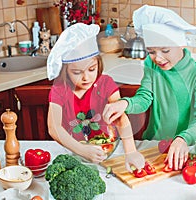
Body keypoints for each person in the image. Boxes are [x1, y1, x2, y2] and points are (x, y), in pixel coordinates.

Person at [103, 5, 196, 171]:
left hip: (187, 149)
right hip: (153, 145)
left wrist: (182, 139)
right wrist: (125, 104)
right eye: (151, 51)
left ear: (181, 44)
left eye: (165, 50)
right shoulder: (151, 65)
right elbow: (144, 97)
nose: (158, 58)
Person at [47, 23, 145, 171]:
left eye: (92, 69)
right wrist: (82, 150)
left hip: (108, 153)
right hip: (74, 155)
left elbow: (119, 117)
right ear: (66, 71)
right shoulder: (60, 89)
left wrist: (131, 151)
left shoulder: (105, 84)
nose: (86, 77)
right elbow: (54, 128)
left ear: (98, 63)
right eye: (77, 72)